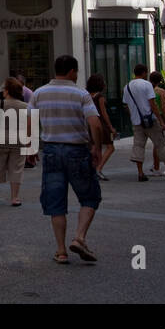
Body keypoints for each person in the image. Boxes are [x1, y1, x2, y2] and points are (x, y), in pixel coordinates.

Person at [31, 55, 103, 264]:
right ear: (72, 71)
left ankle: (61, 251)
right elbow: (95, 124)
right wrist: (96, 148)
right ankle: (79, 238)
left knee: (56, 202)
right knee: (90, 196)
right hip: (77, 150)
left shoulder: (39, 93)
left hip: (51, 150)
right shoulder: (81, 94)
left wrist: (31, 146)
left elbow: (30, 122)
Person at [123, 65, 165, 180]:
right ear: (144, 73)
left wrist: (134, 117)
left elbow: (126, 105)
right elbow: (153, 104)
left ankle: (140, 173)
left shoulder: (127, 87)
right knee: (161, 144)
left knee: (138, 146)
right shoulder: (146, 85)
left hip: (137, 121)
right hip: (150, 120)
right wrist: (162, 121)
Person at [0, 77, 27, 206]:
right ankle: (15, 198)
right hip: (19, 141)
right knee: (16, 170)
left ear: (7, 91)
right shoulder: (25, 106)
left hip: (0, 141)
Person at [85, 74, 118, 180]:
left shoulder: (88, 95)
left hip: (91, 123)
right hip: (102, 124)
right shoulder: (100, 97)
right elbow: (104, 114)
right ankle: (99, 168)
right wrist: (111, 127)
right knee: (110, 147)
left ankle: (91, 168)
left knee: (95, 147)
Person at [148, 72, 165, 174]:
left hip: (149, 117)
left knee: (156, 143)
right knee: (159, 144)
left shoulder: (147, 90)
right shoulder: (161, 91)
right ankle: (157, 167)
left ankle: (155, 165)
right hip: (159, 117)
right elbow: (163, 107)